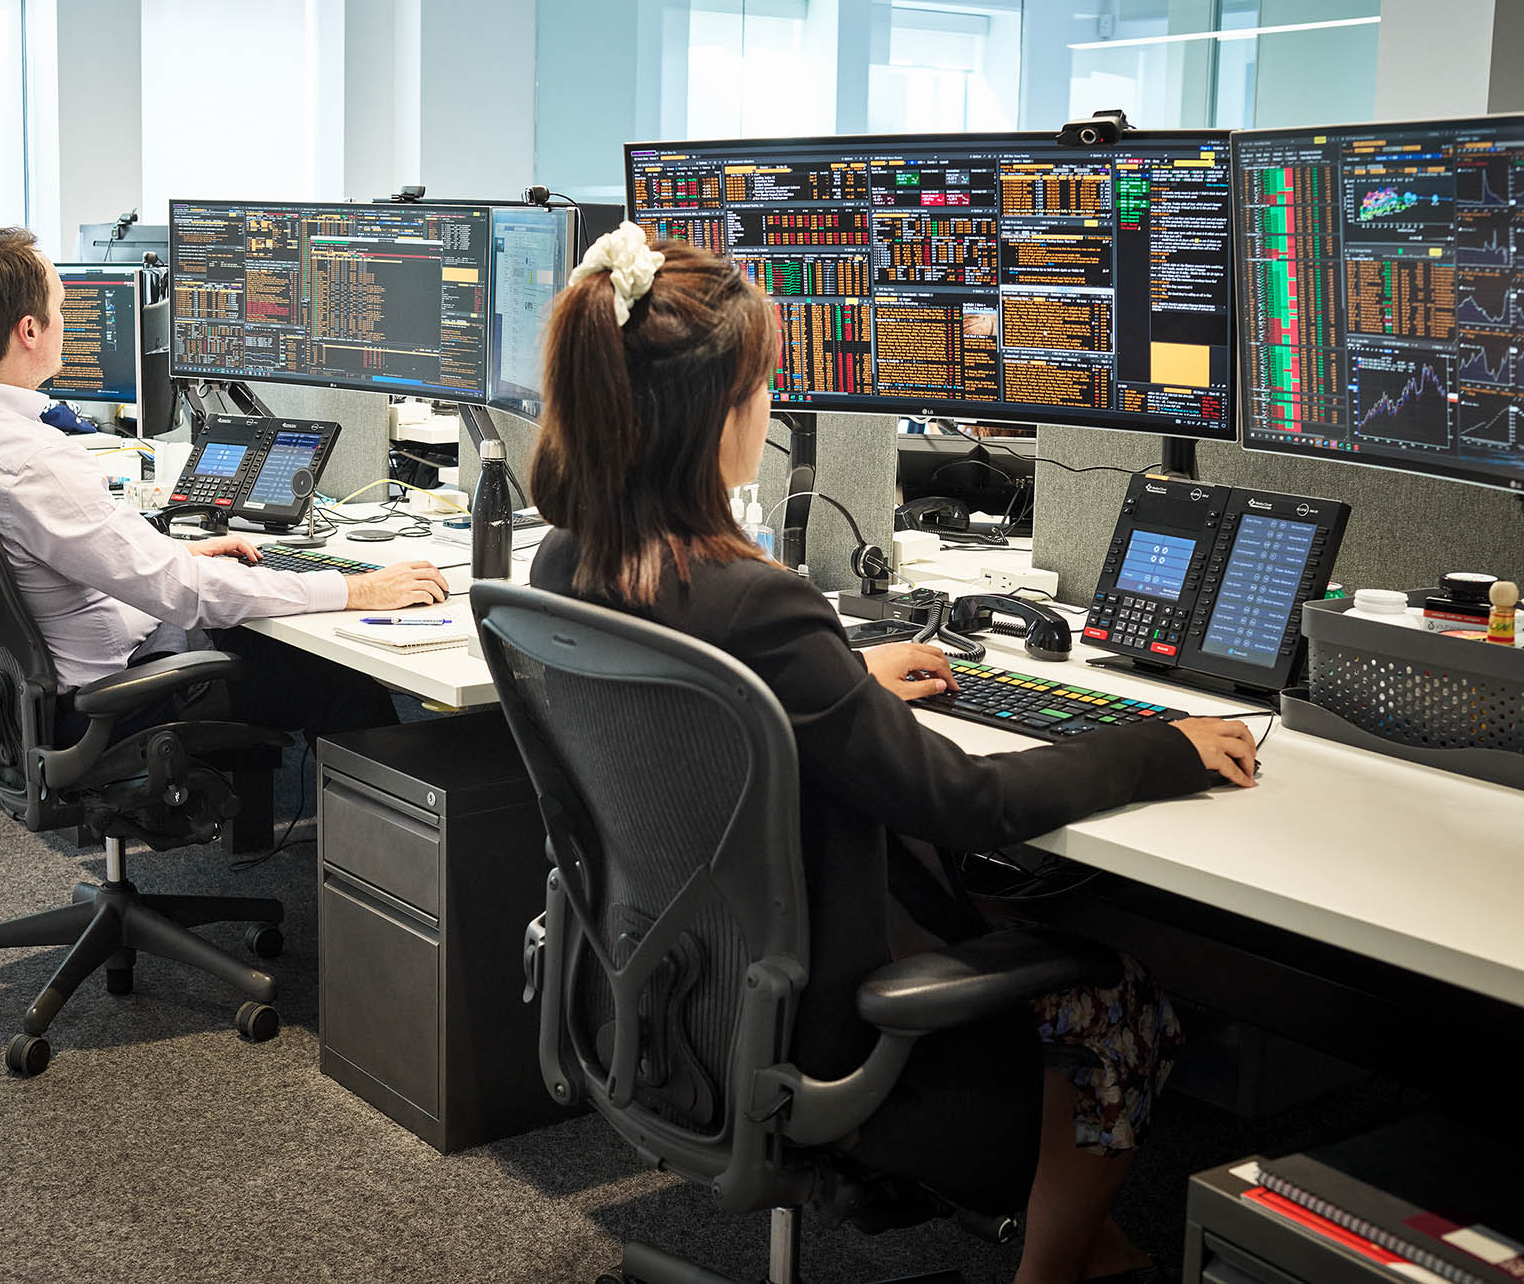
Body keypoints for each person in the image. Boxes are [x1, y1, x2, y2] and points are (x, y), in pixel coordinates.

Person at [528, 224, 1258, 1284]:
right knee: (1120, 991)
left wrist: (836, 685)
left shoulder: (568, 558)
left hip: (666, 997)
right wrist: (1161, 748)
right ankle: (1056, 1264)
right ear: (713, 416)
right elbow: (958, 796)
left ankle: (1087, 1244)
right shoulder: (756, 606)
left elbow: (704, 699)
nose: (769, 409)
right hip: (824, 1040)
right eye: (761, 387)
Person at [0, 226, 448, 742]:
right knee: (340, 680)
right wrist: (356, 590)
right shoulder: (34, 460)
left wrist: (174, 551)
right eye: (62, 309)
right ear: (30, 330)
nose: (67, 321)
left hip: (30, 689)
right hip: (109, 701)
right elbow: (187, 595)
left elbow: (59, 554)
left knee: (250, 623)